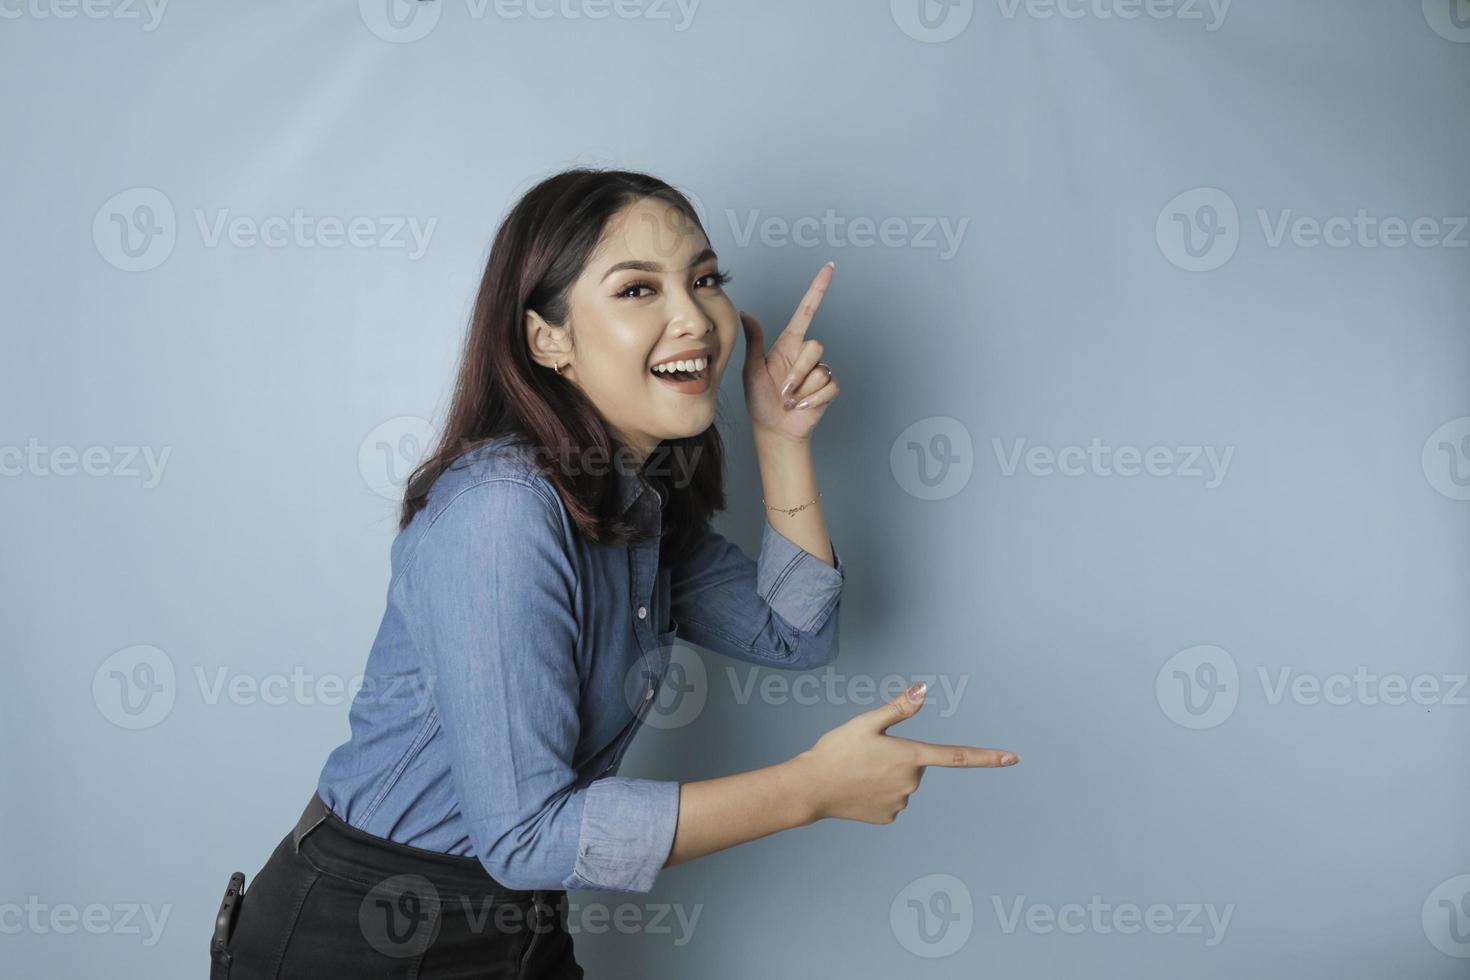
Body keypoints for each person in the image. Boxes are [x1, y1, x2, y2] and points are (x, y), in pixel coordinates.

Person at [212, 167, 1020, 979]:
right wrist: (809, 790)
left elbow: (794, 633)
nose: (693, 318)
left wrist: (780, 438)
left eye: (704, 281)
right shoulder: (504, 511)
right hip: (361, 936)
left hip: (521, 921)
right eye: (638, 290)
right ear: (548, 339)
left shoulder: (635, 500)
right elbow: (526, 836)